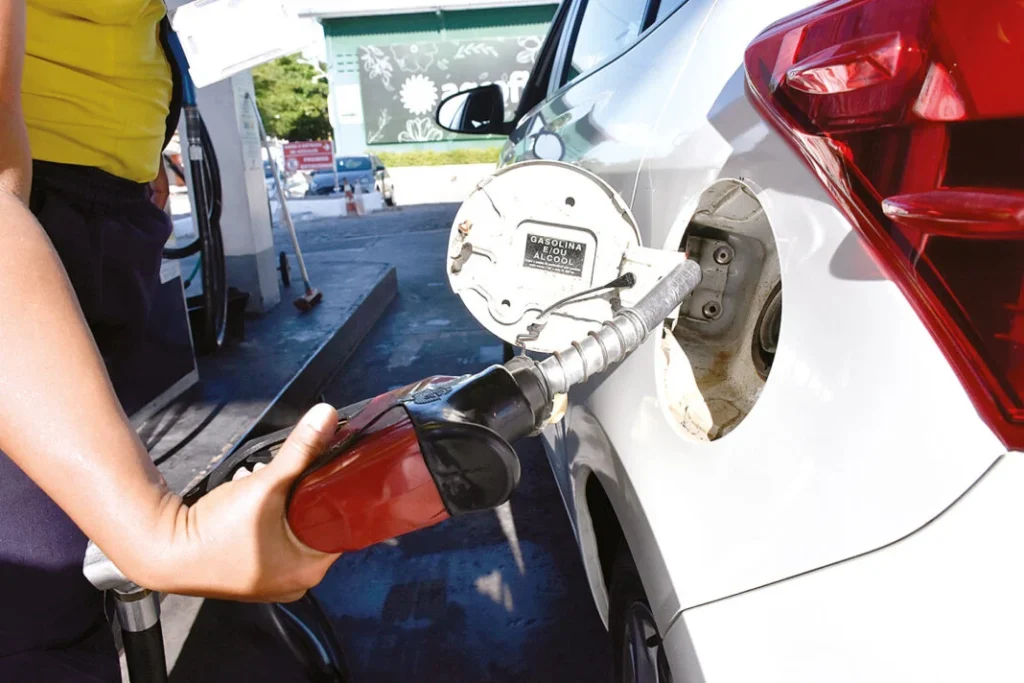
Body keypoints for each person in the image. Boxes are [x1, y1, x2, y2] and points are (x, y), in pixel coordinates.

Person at [0, 2, 341, 681]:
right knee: (29, 608)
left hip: (100, 203)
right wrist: (159, 531)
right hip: (27, 214)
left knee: (67, 567)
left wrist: (139, 153)